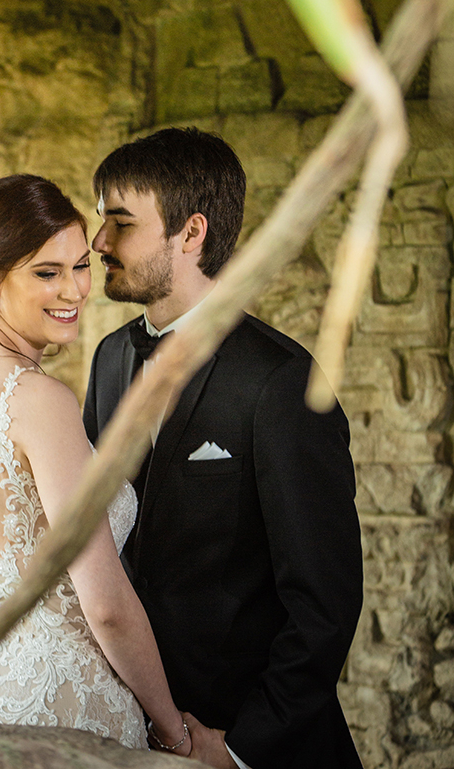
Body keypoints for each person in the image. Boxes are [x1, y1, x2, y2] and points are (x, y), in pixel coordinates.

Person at [83, 127, 364, 769]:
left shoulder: (281, 383)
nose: (99, 242)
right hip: (136, 729)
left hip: (253, 742)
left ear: (191, 233)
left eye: (120, 223)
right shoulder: (108, 360)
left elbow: (324, 601)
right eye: (102, 221)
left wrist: (239, 748)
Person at [0, 173, 192, 754]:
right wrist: (171, 729)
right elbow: (107, 605)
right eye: (46, 272)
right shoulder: (38, 402)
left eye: (79, 266)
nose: (74, 290)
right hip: (58, 709)